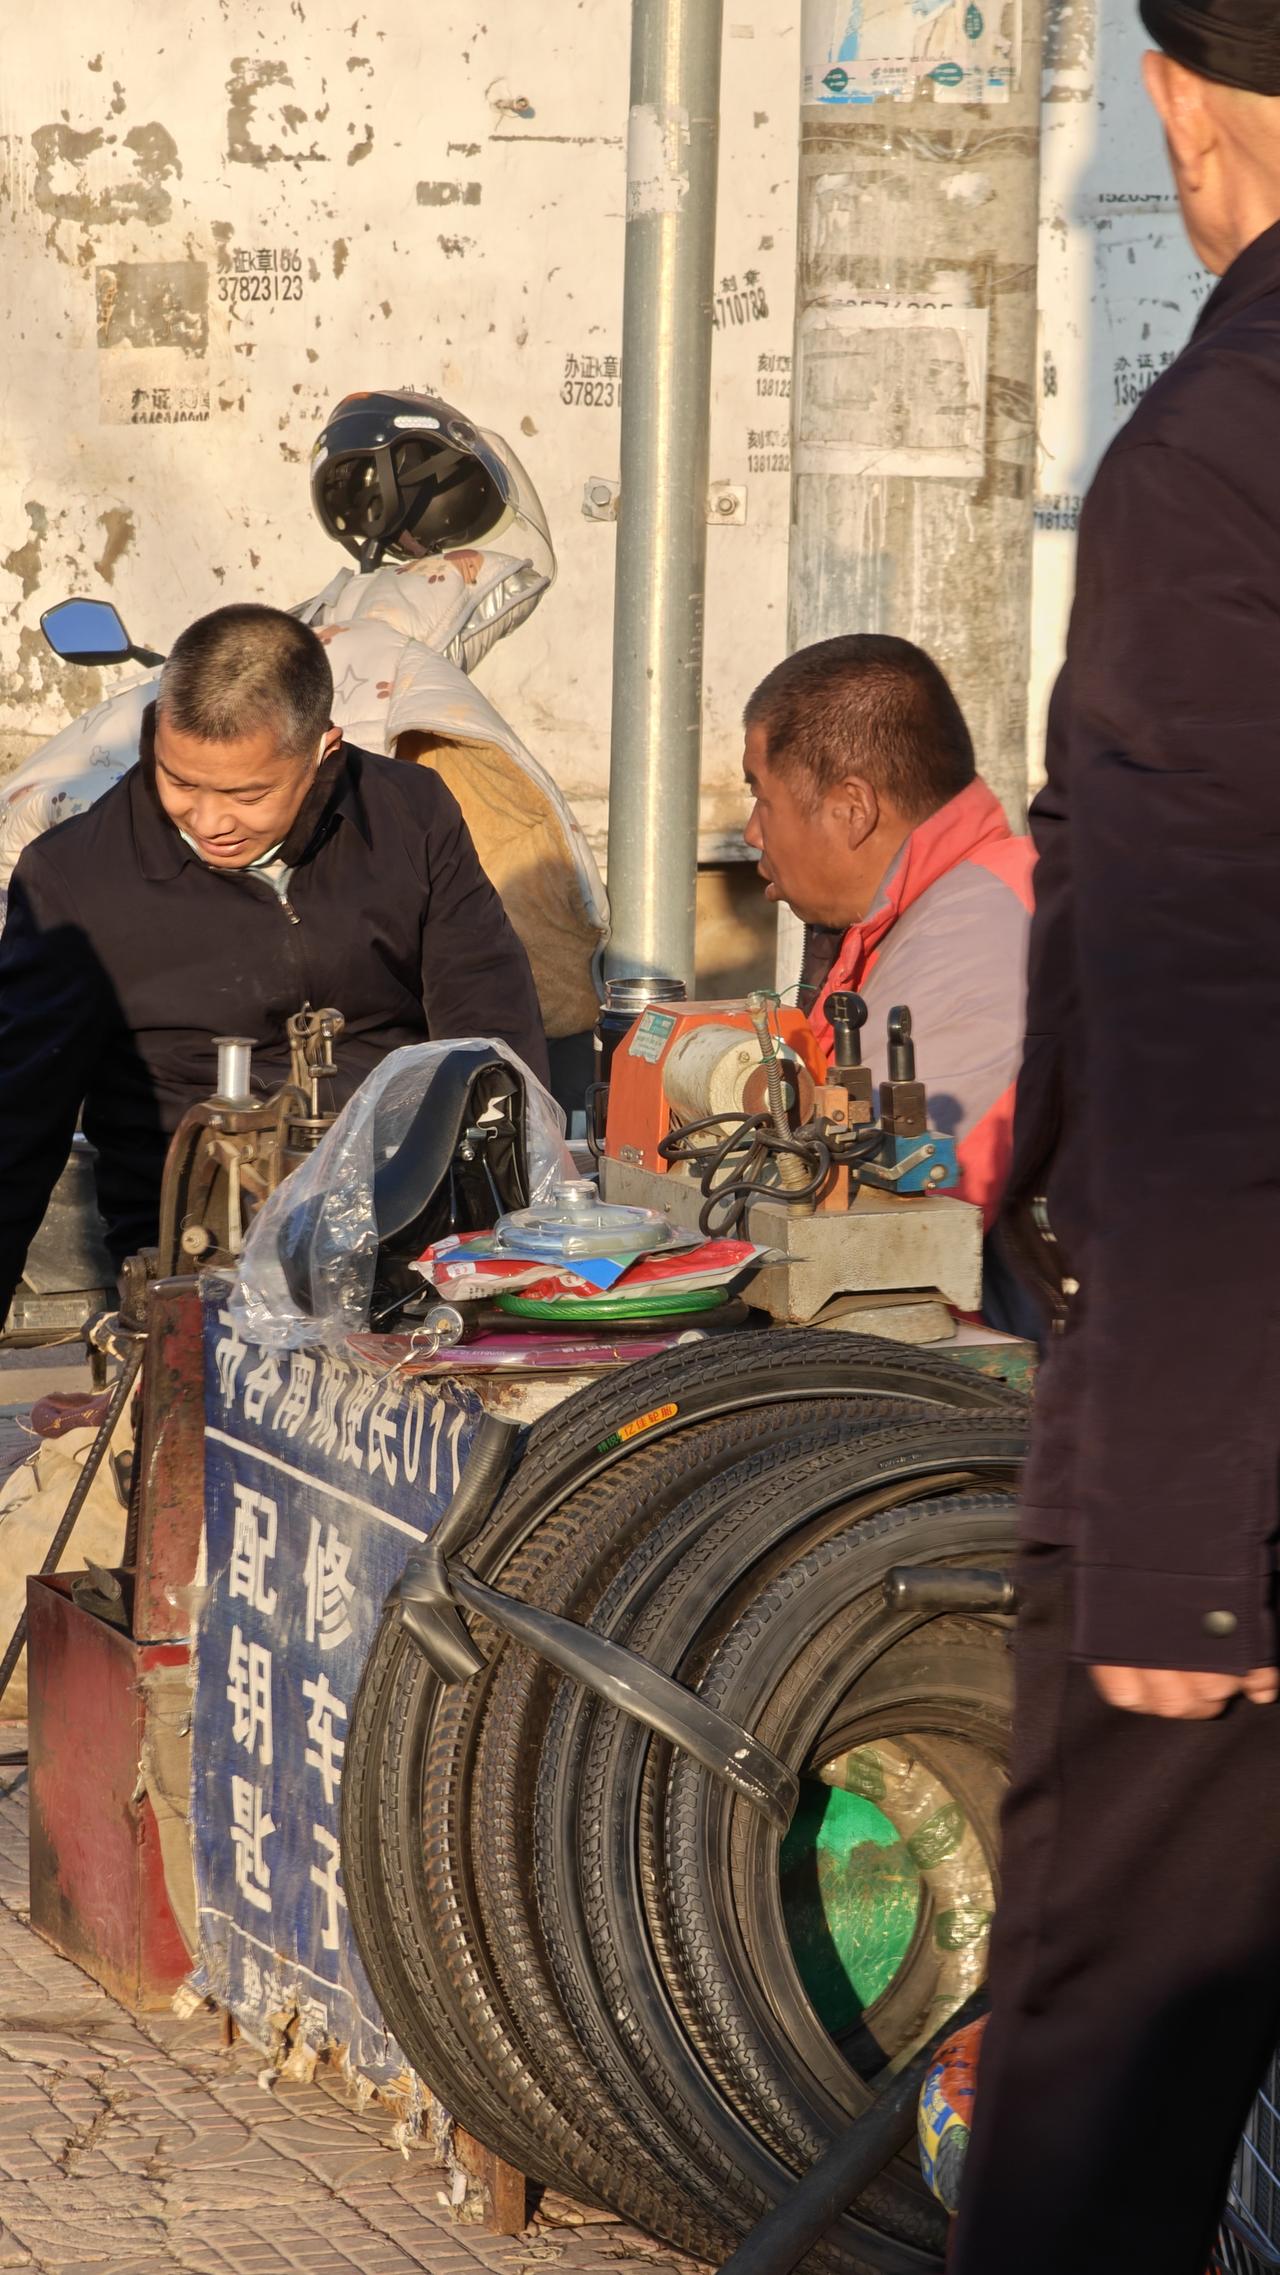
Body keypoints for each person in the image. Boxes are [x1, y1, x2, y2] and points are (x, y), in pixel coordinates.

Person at [952, 9, 1280, 2271]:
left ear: (1176, 104)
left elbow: (1191, 1004)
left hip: (1229, 1468)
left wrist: (1170, 1528)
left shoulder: (1218, 462)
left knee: (1108, 2088)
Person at [0, 602, 548, 1318]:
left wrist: (522, 1237)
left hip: (415, 1240)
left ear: (324, 749)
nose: (208, 820)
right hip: (196, 1266)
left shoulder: (410, 815)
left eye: (247, 794)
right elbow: (16, 1125)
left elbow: (488, 1028)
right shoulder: (75, 881)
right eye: (179, 781)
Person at [742, 632, 1034, 1243]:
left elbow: (891, 1235)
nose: (750, 832)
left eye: (761, 798)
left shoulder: (971, 943)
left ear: (853, 809)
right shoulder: (943, 904)